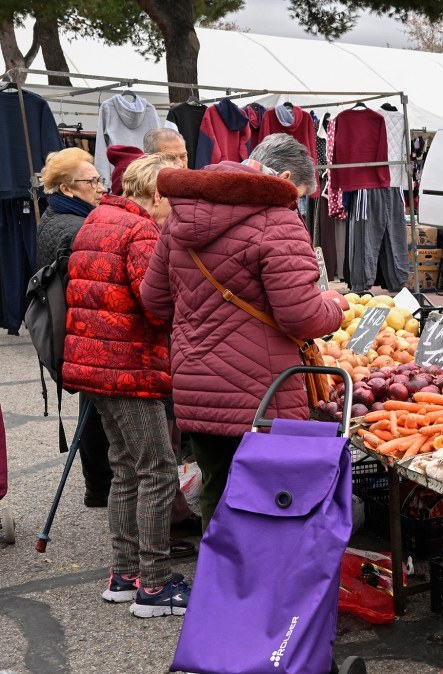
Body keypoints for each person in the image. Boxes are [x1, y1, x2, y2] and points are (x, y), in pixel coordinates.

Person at [141, 134, 346, 527]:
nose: (298, 204)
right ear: (285, 177)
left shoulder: (182, 214)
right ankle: (263, 586)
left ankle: (219, 584)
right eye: (300, 194)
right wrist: (334, 307)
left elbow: (155, 300)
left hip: (196, 387)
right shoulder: (279, 220)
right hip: (262, 392)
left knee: (216, 492)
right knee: (271, 502)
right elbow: (301, 317)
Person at [62, 153, 191, 617]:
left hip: (95, 363)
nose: (173, 213)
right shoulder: (141, 231)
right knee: (156, 469)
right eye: (172, 203)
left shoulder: (99, 217)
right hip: (128, 366)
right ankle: (153, 585)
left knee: (126, 468)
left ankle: (125, 573)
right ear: (156, 194)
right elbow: (155, 303)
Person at [32, 148, 115, 507]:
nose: (100, 186)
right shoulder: (77, 227)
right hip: (84, 332)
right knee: (97, 412)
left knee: (93, 409)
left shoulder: (56, 215)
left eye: (99, 179)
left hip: (74, 331)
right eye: (92, 180)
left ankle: (98, 485)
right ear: (67, 188)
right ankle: (100, 486)